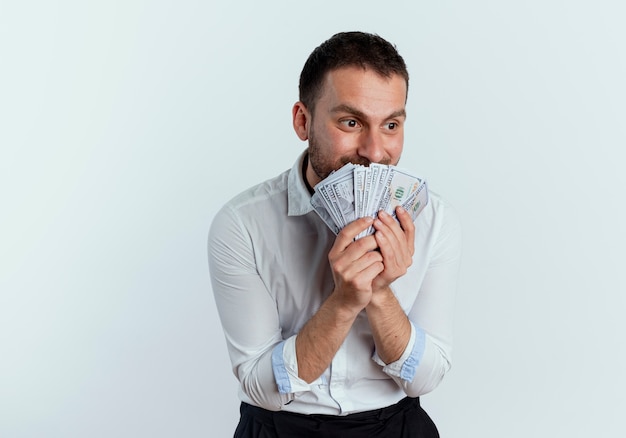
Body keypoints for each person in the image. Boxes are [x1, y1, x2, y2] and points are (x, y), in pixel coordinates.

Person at [208, 31, 462, 438]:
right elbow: (258, 385)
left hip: (396, 424)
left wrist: (379, 294)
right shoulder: (242, 224)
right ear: (302, 121)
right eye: (351, 122)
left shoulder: (434, 221)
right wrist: (344, 303)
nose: (375, 151)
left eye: (391, 124)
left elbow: (425, 379)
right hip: (279, 427)